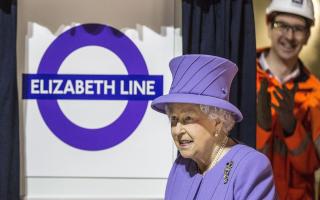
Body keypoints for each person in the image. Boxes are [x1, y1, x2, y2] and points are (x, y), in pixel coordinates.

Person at [151, 54, 277, 200]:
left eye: (188, 118)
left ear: (217, 122)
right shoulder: (181, 166)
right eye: (174, 119)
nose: (178, 130)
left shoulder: (250, 166)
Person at [256, 0, 320, 199]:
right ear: (268, 24)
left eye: (298, 29)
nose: (290, 36)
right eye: (282, 25)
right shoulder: (242, 77)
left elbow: (312, 165)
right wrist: (263, 127)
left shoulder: (316, 93)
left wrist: (292, 128)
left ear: (308, 35)